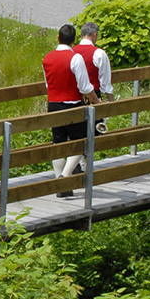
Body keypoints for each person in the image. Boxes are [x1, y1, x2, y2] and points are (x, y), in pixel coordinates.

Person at [44, 24, 100, 197]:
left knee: (58, 143)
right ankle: (65, 178)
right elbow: (85, 87)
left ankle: (59, 182)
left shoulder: (47, 58)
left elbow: (48, 84)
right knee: (81, 142)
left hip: (53, 104)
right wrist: (97, 100)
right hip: (72, 104)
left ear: (58, 38)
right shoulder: (75, 58)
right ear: (74, 40)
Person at [74, 21, 114, 103]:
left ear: (81, 35)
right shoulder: (99, 53)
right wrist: (111, 101)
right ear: (95, 34)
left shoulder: (72, 51)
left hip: (74, 97)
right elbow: (105, 82)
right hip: (93, 97)